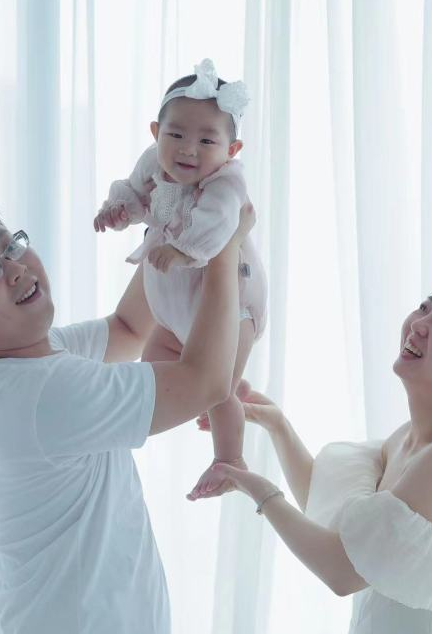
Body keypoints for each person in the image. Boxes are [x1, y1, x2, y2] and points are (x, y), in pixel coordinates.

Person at [0, 199, 254, 633]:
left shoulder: (19, 363)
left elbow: (128, 328)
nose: (16, 270)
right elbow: (206, 382)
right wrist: (225, 244)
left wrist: (178, 219)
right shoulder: (44, 394)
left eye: (10, 248)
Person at [209, 274, 432, 633]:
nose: (418, 324)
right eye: (425, 307)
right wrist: (278, 426)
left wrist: (254, 487)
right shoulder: (410, 438)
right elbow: (331, 517)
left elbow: (342, 570)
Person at [93, 59, 268, 500]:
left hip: (230, 308)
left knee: (217, 391)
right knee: (155, 371)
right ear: (156, 133)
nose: (188, 150)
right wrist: (118, 211)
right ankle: (225, 388)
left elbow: (220, 221)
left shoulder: (226, 183)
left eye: (207, 140)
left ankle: (230, 459)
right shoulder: (154, 162)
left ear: (232, 149)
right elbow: (135, 193)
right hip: (174, 313)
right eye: (175, 135)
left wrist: (183, 249)